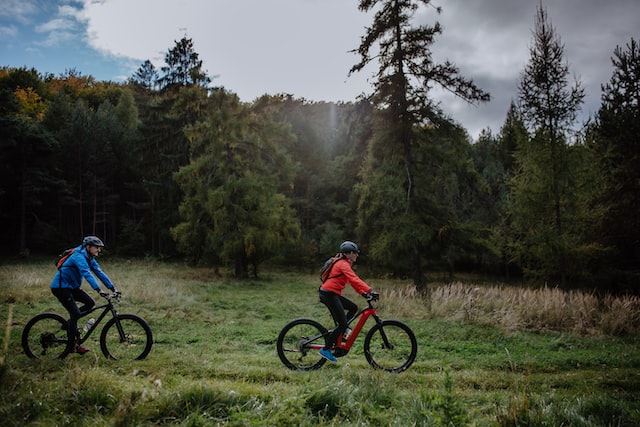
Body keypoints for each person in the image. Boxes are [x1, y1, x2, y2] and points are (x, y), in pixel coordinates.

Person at [50, 236, 117, 354]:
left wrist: (112, 288)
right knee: (75, 313)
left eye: (99, 248)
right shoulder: (78, 256)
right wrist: (99, 290)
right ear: (88, 246)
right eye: (96, 247)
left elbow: (99, 272)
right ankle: (71, 346)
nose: (98, 250)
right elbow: (86, 273)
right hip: (61, 288)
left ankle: (69, 324)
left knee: (90, 303)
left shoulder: (89, 258)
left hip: (72, 288)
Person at [318, 240, 377, 362]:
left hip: (331, 293)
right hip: (329, 294)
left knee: (353, 308)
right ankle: (326, 349)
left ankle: (342, 331)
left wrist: (364, 293)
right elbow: (355, 279)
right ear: (348, 253)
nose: (357, 255)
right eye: (355, 253)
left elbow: (352, 282)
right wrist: (370, 290)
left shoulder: (344, 264)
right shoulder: (343, 264)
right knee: (342, 323)